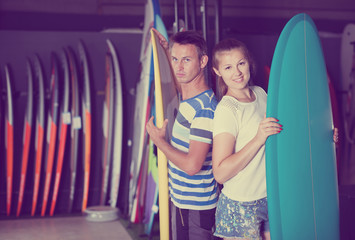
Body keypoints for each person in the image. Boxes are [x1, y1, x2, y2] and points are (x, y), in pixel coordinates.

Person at [146, 29, 219, 240]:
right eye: (175, 59)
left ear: (203, 61)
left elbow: (192, 166)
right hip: (182, 201)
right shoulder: (188, 98)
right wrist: (166, 50)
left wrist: (160, 142)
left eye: (186, 60)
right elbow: (180, 80)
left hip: (197, 207)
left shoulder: (204, 109)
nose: (179, 66)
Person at [211, 38, 282, 240]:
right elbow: (220, 173)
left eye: (241, 63)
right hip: (240, 206)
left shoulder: (260, 94)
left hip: (270, 197)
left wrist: (322, 137)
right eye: (228, 67)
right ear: (217, 71)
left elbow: (279, 134)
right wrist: (258, 138)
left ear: (249, 62)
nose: (237, 72)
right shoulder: (227, 110)